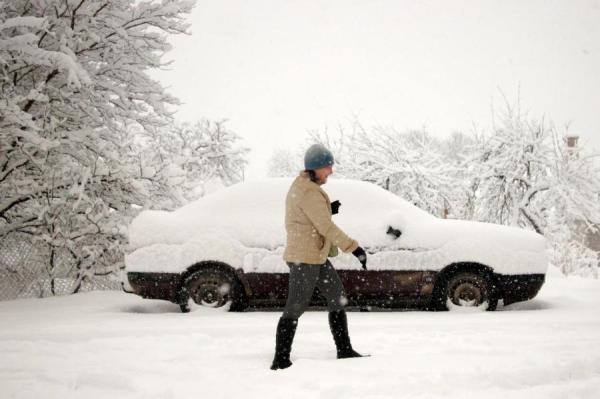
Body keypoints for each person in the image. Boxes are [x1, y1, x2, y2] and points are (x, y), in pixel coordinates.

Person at [270, 143, 368, 370]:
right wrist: (355, 248)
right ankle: (280, 359)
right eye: (327, 167)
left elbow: (307, 216)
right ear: (315, 168)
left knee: (337, 296)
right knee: (295, 307)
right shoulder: (309, 191)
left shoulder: (303, 186)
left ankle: (344, 350)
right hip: (305, 258)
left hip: (315, 255)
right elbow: (326, 227)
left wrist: (327, 209)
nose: (331, 171)